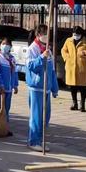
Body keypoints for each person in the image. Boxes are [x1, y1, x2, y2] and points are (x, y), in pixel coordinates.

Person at [26, 24, 59, 152]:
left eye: (48, 33)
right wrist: (41, 58)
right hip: (36, 88)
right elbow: (30, 66)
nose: (47, 36)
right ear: (38, 35)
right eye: (45, 33)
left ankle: (40, 140)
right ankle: (33, 141)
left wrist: (55, 88)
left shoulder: (48, 50)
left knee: (45, 117)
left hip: (47, 88)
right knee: (36, 116)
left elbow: (52, 71)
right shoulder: (32, 49)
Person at [61, 26, 86, 112]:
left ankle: (82, 104)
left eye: (77, 34)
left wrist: (85, 53)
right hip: (71, 67)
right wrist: (66, 58)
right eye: (74, 34)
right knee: (73, 87)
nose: (75, 35)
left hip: (81, 68)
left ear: (81, 34)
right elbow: (63, 50)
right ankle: (74, 103)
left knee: (83, 87)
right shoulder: (68, 40)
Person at [0, 38, 18, 134]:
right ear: (0, 45)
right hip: (0, 89)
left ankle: (5, 127)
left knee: (6, 108)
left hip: (9, 89)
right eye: (3, 44)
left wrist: (15, 85)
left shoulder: (12, 58)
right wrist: (0, 84)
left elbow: (14, 73)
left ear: (10, 47)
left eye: (7, 44)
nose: (5, 46)